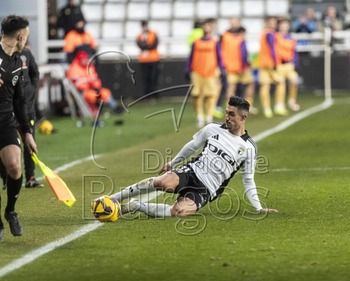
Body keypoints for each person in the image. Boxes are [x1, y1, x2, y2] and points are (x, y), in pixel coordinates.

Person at [95, 96, 278, 219]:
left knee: (179, 212)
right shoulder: (212, 129)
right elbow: (192, 147)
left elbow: (248, 180)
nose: (227, 117)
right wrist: (172, 163)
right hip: (192, 171)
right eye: (226, 112)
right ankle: (113, 198)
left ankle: (136, 206)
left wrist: (258, 208)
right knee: (162, 183)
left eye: (231, 114)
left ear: (243, 117)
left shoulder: (249, 148)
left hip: (207, 189)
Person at [0, 15, 38, 240]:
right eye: (27, 35)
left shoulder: (17, 60)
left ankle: (10, 211)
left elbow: (20, 101)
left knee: (15, 168)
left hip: (5, 122)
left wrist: (28, 133)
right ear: (20, 36)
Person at [0, 46, 44, 189]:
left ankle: (30, 177)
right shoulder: (4, 57)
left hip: (25, 106)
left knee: (29, 141)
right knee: (6, 143)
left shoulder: (26, 54)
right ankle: (6, 178)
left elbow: (35, 73)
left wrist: (30, 89)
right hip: (8, 110)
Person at [185, 18, 226, 128]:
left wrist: (222, 69)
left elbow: (219, 57)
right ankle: (199, 117)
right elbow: (191, 57)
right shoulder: (196, 42)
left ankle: (209, 117)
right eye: (204, 25)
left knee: (210, 95)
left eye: (208, 25)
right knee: (196, 95)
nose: (206, 27)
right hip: (197, 72)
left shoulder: (214, 42)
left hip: (210, 72)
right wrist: (187, 69)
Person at [66, 51, 119, 117]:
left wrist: (95, 86)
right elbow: (77, 83)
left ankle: (115, 108)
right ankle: (95, 111)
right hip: (83, 91)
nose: (85, 60)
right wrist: (88, 82)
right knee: (92, 96)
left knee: (105, 93)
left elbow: (95, 79)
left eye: (86, 59)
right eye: (83, 59)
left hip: (94, 88)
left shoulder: (90, 66)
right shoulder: (73, 69)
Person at [220, 24, 258, 115]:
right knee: (250, 84)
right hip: (242, 67)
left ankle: (229, 108)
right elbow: (243, 55)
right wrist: (245, 65)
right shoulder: (241, 40)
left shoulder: (228, 40)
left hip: (230, 67)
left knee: (231, 87)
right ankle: (248, 105)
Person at [258, 16, 286, 118]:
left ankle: (267, 108)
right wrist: (275, 61)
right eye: (272, 22)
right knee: (280, 82)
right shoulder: (270, 33)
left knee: (265, 86)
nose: (274, 24)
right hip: (271, 63)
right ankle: (279, 105)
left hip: (263, 63)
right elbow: (272, 49)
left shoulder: (263, 33)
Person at [276, 19, 300, 111]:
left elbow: (294, 52)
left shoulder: (291, 38)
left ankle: (292, 100)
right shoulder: (276, 36)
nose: (284, 27)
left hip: (289, 64)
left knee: (294, 81)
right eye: (282, 25)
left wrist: (295, 63)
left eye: (286, 25)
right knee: (280, 84)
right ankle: (279, 104)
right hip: (280, 64)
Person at [136, 20, 160, 97]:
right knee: (146, 78)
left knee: (153, 77)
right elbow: (139, 44)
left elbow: (154, 44)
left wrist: (146, 46)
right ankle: (147, 94)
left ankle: (154, 94)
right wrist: (147, 46)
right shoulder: (140, 35)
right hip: (143, 60)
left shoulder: (153, 34)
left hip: (153, 59)